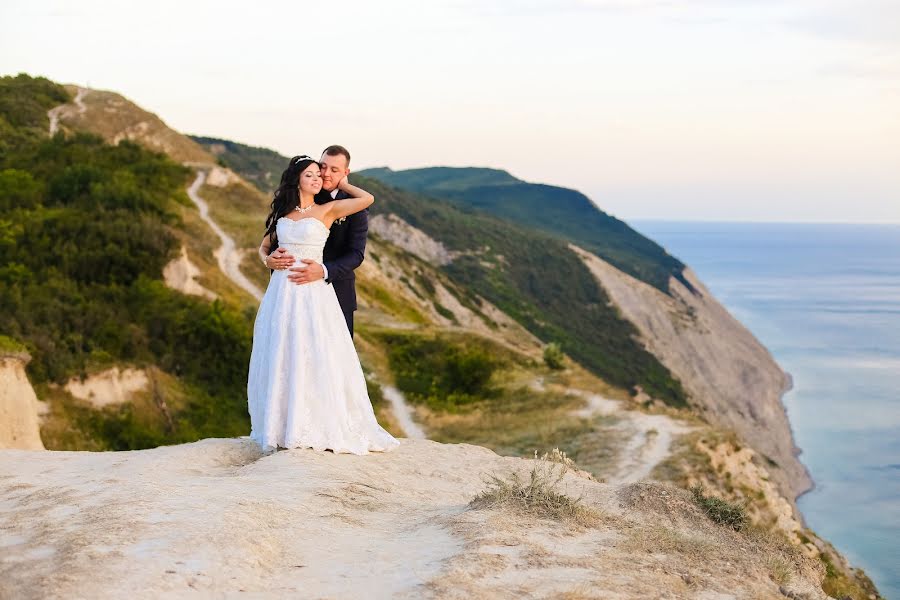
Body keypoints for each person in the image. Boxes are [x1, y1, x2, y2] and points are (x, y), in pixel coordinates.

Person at [247, 155, 399, 455]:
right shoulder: (282, 213)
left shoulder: (328, 209)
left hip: (313, 290)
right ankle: (281, 425)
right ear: (296, 180)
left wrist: (344, 183)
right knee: (283, 352)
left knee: (316, 353)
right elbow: (265, 246)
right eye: (311, 174)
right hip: (282, 292)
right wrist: (268, 259)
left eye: (320, 175)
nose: (317, 178)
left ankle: (317, 422)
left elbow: (367, 198)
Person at [265, 145, 365, 337]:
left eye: (334, 170)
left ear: (346, 173)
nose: (325, 174)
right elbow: (276, 242)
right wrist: (268, 259)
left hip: (336, 289)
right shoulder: (303, 196)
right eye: (323, 167)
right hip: (292, 291)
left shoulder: (353, 205)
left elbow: (356, 254)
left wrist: (323, 270)